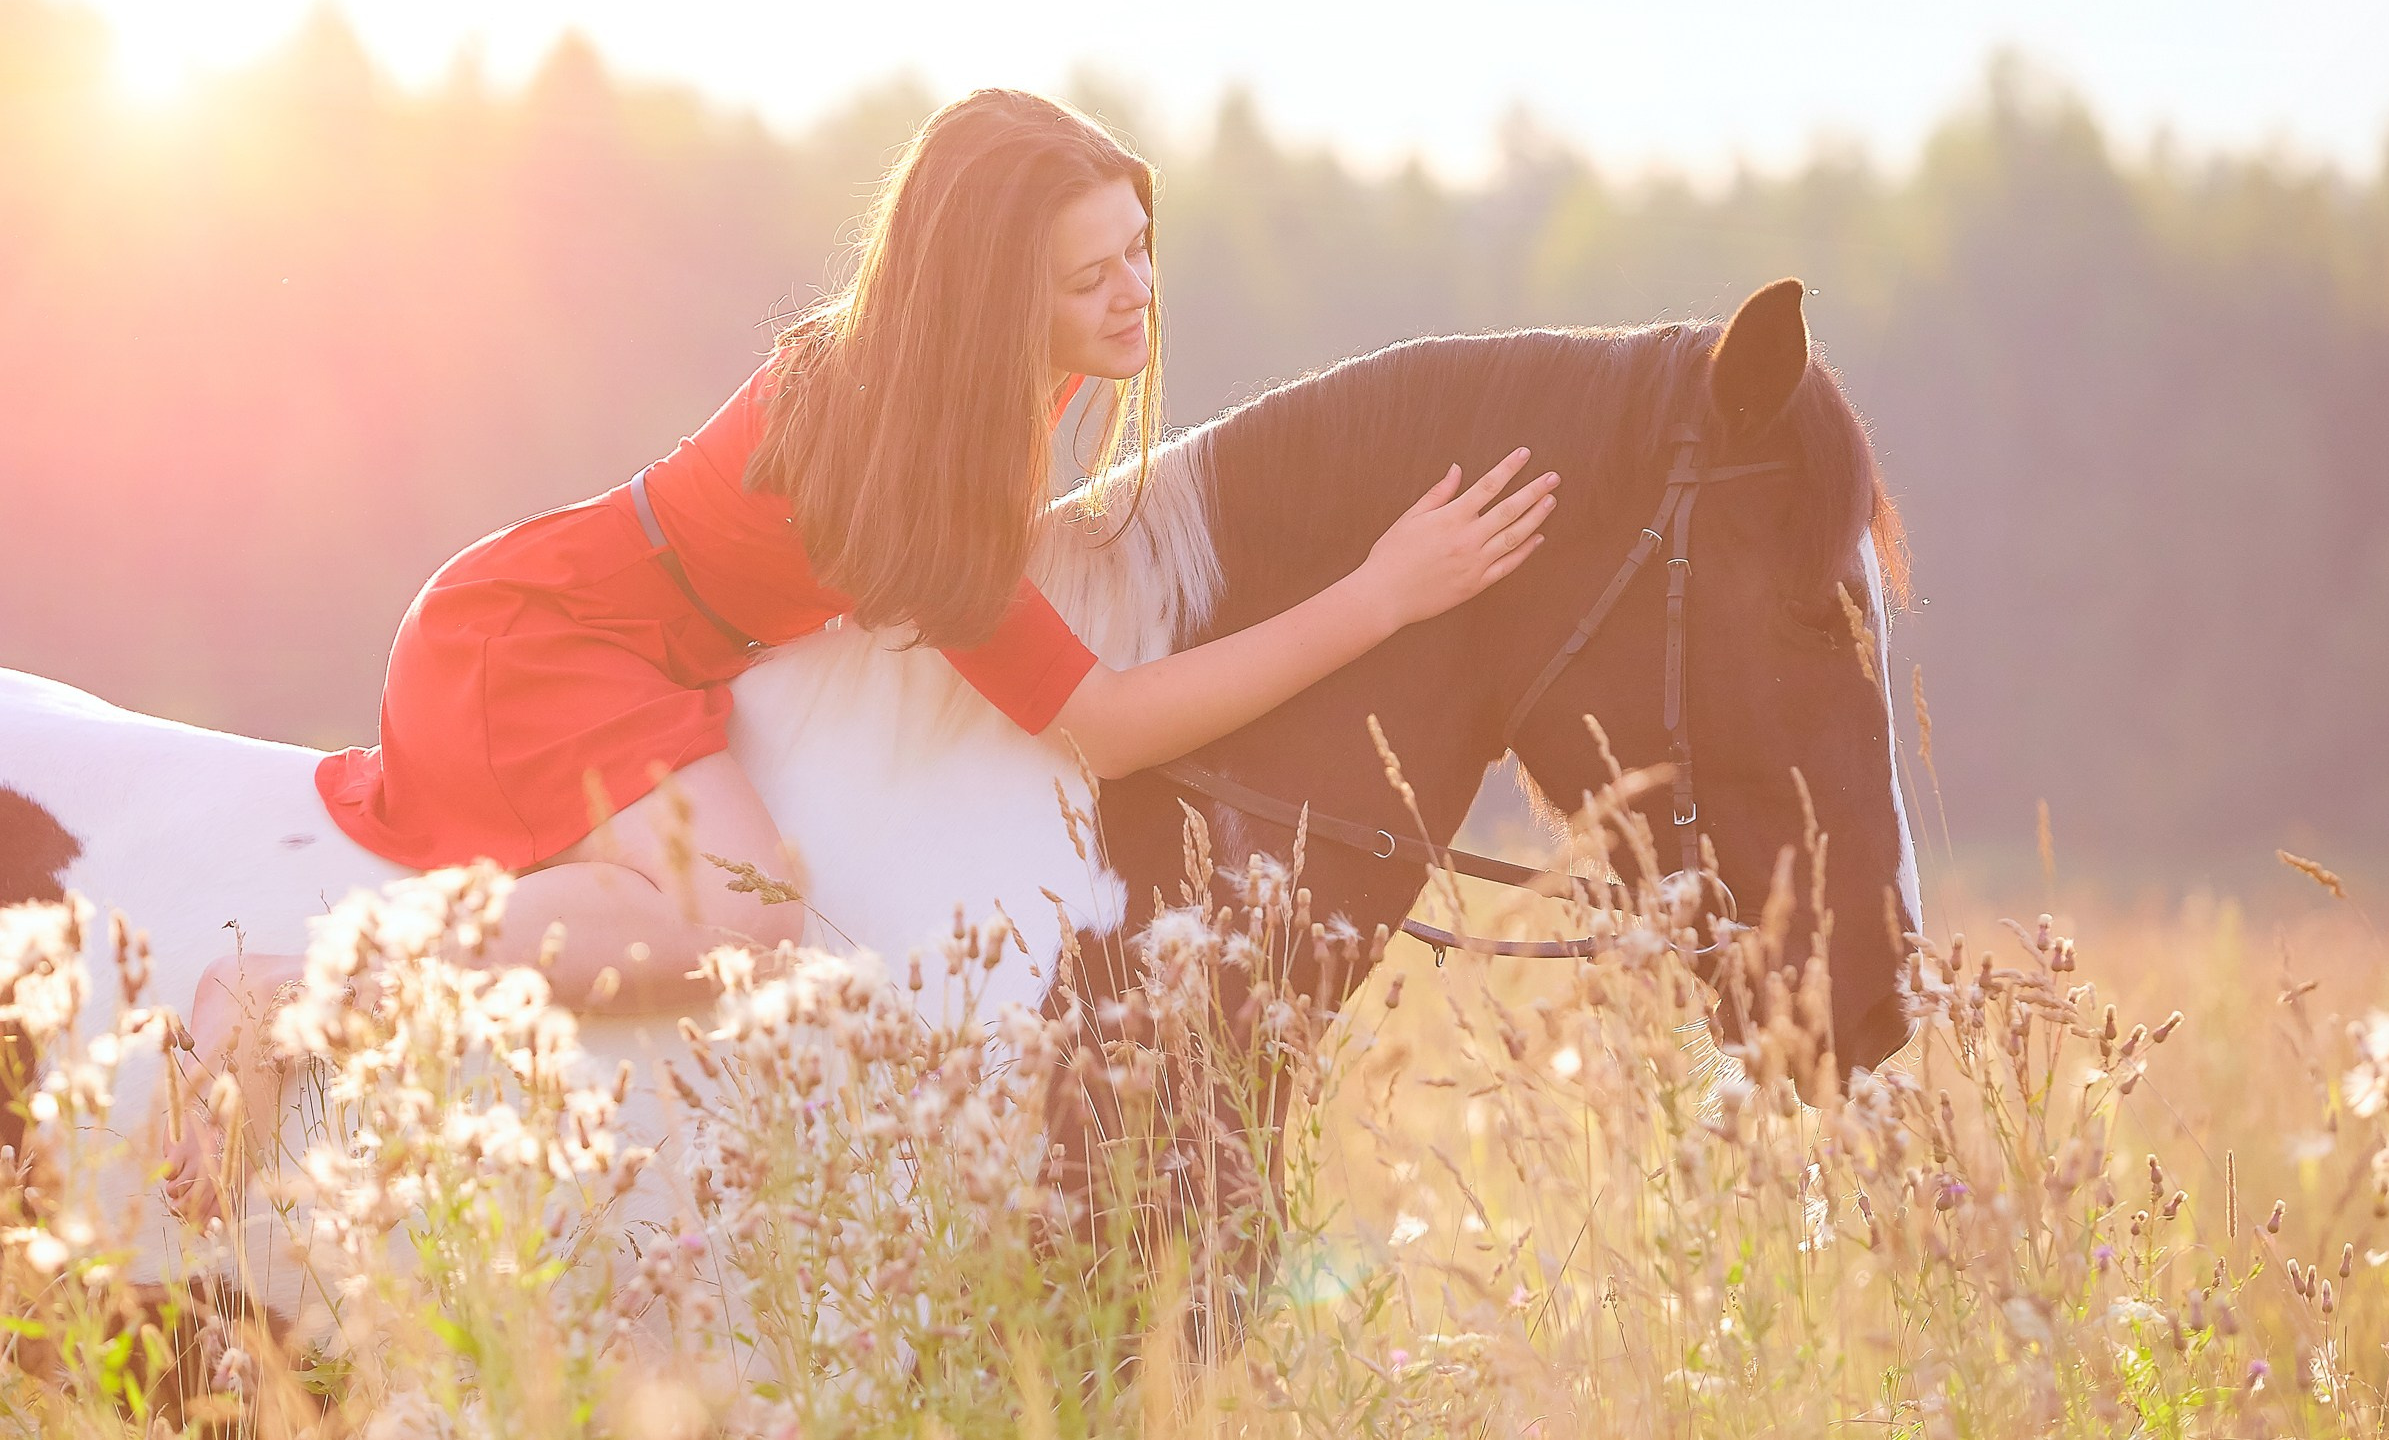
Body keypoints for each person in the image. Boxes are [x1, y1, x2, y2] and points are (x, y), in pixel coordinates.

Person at [166, 89, 1557, 1210]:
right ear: (992, 296)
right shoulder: (898, 441)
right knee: (745, 912)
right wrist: (1379, 596)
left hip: (637, 637)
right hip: (541, 644)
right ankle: (289, 991)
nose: (1133, 292)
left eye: (1141, 246)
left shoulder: (979, 372)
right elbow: (1113, 722)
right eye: (1091, 273)